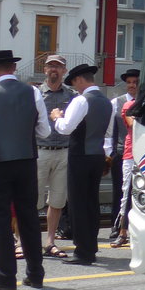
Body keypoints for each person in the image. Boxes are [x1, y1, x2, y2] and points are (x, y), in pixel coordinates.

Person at [0, 50, 52, 290]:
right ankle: (36, 273)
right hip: (26, 161)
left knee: (1, 219)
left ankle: (6, 276)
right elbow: (44, 131)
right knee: (29, 217)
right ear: (13, 68)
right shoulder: (33, 92)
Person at [50, 63, 113, 265]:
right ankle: (90, 246)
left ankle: (83, 251)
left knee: (78, 203)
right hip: (97, 155)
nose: (75, 87)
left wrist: (57, 118)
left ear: (79, 80)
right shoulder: (106, 102)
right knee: (91, 203)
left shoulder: (81, 100)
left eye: (75, 83)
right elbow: (108, 131)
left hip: (80, 155)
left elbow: (66, 128)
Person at [35, 53, 76, 258]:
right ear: (44, 70)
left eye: (58, 67)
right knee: (32, 199)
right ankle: (24, 240)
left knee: (58, 200)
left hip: (63, 153)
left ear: (64, 71)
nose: (54, 70)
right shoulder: (35, 94)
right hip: (40, 151)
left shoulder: (72, 96)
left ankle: (50, 241)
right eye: (50, 66)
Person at [108, 69, 139, 240]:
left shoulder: (142, 102)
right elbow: (110, 130)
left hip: (138, 153)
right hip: (121, 151)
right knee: (119, 191)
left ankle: (130, 226)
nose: (132, 85)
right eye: (129, 82)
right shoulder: (117, 103)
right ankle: (116, 225)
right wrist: (110, 152)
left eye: (135, 82)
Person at [111, 93, 137, 247]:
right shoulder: (128, 105)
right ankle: (122, 231)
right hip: (131, 154)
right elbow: (133, 124)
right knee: (127, 193)